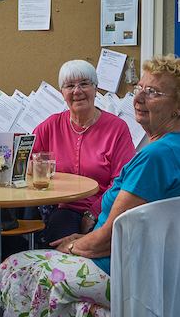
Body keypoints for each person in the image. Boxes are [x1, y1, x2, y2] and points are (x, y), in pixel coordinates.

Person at [0, 55, 180, 317]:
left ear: (179, 107)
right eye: (139, 89)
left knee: (15, 266)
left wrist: (72, 247)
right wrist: (84, 240)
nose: (138, 98)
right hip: (145, 264)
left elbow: (109, 237)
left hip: (119, 270)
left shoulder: (154, 157)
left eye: (153, 92)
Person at [33, 60, 135, 244]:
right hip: (63, 208)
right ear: (62, 93)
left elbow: (123, 181)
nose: (77, 91)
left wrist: (93, 212)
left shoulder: (116, 128)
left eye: (84, 84)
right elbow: (25, 162)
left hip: (105, 210)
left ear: (96, 89)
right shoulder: (51, 125)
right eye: (69, 86)